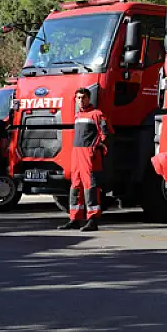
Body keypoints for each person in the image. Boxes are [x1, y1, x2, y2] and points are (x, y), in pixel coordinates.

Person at [59, 88, 112, 232]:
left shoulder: (97, 114)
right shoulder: (77, 115)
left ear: (89, 99)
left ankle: (92, 219)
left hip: (89, 155)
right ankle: (74, 218)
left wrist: (96, 148)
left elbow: (106, 134)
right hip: (76, 154)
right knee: (75, 186)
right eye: (78, 98)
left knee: (90, 187)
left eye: (83, 97)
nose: (81, 101)